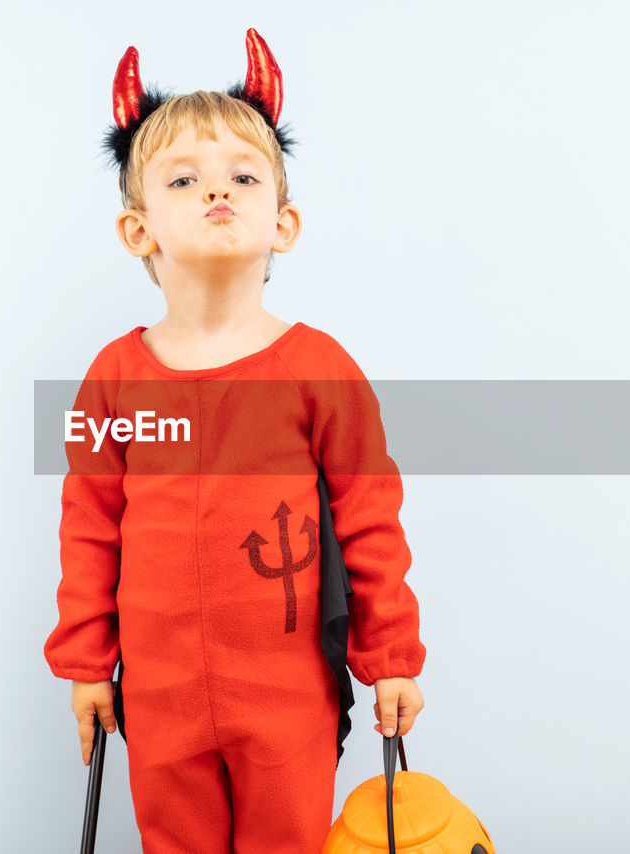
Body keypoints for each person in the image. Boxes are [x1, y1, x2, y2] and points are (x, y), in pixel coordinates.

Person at [44, 29, 427, 853]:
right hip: (159, 693)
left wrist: (390, 654)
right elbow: (88, 524)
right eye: (183, 179)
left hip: (286, 696)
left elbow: (370, 517)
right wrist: (85, 663)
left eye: (242, 176)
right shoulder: (111, 377)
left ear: (283, 222)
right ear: (138, 230)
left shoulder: (320, 368)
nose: (217, 192)